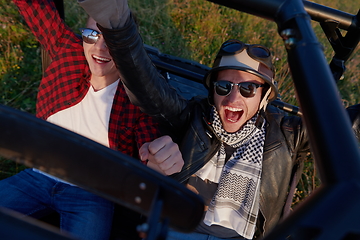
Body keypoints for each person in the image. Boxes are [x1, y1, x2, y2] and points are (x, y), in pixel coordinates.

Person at [78, 0, 360, 239]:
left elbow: (350, 124)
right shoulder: (191, 117)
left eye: (247, 88)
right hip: (180, 231)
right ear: (212, 91)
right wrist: (117, 23)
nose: (232, 98)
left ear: (264, 97)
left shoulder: (288, 134)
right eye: (224, 87)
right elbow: (145, 86)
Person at [0, 0, 168, 239]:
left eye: (111, 39)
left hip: (92, 192)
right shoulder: (68, 51)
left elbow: (149, 150)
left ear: (128, 46)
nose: (99, 48)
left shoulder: (138, 95)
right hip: (37, 177)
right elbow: (33, 6)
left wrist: (157, 158)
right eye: (91, 34)